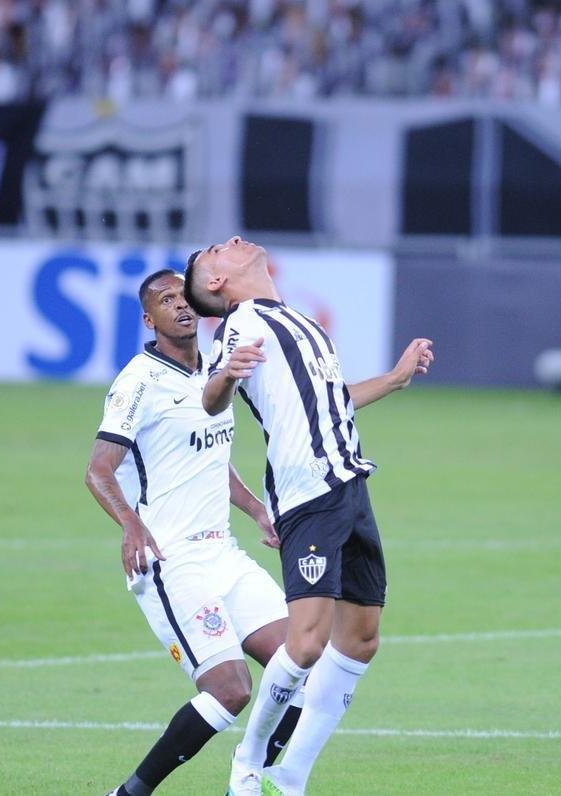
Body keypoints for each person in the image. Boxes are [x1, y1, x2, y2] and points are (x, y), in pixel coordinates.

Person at [183, 235, 434, 796]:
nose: (233, 241)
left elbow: (327, 397)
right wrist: (225, 374)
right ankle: (247, 765)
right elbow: (211, 396)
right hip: (307, 497)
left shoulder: (296, 321)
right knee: (306, 644)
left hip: (349, 484)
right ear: (218, 283)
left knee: (362, 639)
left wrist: (394, 380)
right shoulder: (242, 323)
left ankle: (290, 775)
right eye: (216, 250)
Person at [85, 269, 303, 796]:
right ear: (148, 318)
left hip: (221, 552)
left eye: (184, 296)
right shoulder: (138, 381)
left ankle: (251, 782)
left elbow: (206, 457)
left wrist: (255, 508)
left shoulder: (214, 368)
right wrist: (130, 523)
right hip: (169, 559)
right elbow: (98, 469)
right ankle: (130, 793)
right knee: (230, 690)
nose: (179, 305)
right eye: (165, 300)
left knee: (300, 664)